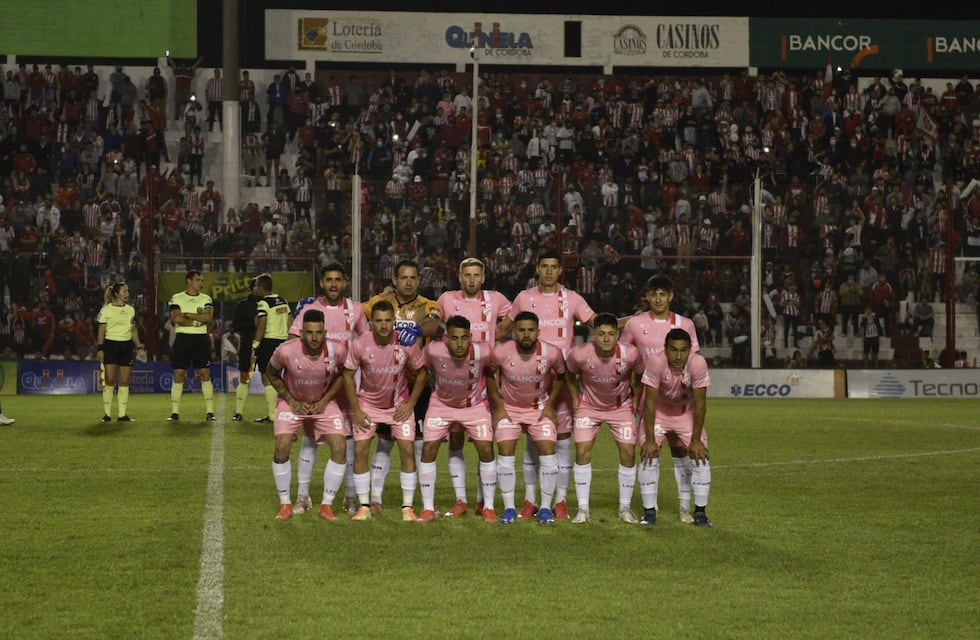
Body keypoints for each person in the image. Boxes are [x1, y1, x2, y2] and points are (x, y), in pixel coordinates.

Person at [505, 251, 595, 520]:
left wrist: (632, 322)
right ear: (537, 268)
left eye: (553, 267)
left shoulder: (572, 299)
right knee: (534, 441)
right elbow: (504, 328)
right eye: (544, 266)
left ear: (560, 271)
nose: (548, 271)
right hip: (531, 378)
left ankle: (560, 500)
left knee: (564, 442)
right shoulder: (524, 298)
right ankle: (531, 500)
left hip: (562, 380)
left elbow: (597, 325)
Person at [289, 263, 370, 515]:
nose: (333, 284)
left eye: (338, 280)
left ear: (344, 282)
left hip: (346, 383)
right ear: (321, 283)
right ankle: (302, 497)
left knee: (347, 440)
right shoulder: (310, 309)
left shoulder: (355, 310)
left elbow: (366, 341)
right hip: (316, 383)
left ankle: (348, 497)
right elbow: (293, 342)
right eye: (328, 280)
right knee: (310, 440)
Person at [620, 273, 700, 523]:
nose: (657, 299)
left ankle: (685, 507)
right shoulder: (635, 324)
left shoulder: (685, 324)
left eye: (662, 294)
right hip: (649, 396)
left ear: (671, 296)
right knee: (649, 451)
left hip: (679, 399)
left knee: (680, 451)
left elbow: (694, 360)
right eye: (653, 294)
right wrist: (631, 388)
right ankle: (649, 510)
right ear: (647, 296)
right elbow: (625, 357)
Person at [361, 260, 441, 512]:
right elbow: (352, 312)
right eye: (403, 278)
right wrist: (317, 302)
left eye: (413, 278)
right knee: (384, 441)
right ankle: (375, 499)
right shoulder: (380, 303)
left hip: (418, 380)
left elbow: (434, 324)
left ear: (418, 281)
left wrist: (417, 330)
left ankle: (422, 502)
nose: (408, 282)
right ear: (394, 280)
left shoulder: (428, 304)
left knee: (417, 443)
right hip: (386, 383)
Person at [436, 257, 512, 516]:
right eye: (466, 274)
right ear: (459, 276)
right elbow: (436, 322)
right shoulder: (447, 299)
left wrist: (494, 338)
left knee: (484, 441)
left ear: (483, 277)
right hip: (456, 376)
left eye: (476, 275)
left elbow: (511, 319)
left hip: (485, 376)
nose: (471, 279)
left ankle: (483, 501)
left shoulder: (497, 299)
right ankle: (460, 501)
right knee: (455, 438)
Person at [342, 300, 430, 521]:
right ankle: (364, 507)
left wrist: (410, 404)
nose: (383, 325)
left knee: (407, 452)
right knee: (361, 450)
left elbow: (422, 373)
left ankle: (407, 507)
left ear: (394, 321)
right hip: (368, 406)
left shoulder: (406, 343)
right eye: (378, 321)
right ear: (371, 323)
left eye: (387, 320)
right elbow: (346, 375)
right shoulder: (360, 344)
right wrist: (356, 410)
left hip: (398, 407)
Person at [265, 309, 348, 521]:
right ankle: (285, 504)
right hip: (293, 402)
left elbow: (342, 376)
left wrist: (324, 400)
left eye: (319, 332)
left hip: (323, 403)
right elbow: (271, 373)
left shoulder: (336, 350)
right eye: (310, 332)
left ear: (325, 331)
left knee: (340, 447)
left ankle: (326, 506)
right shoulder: (285, 351)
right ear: (301, 333)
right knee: (282, 445)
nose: (314, 337)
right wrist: (291, 400)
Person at [417, 316, 499, 523]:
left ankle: (488, 507)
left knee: (486, 449)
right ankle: (428, 508)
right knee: (428, 449)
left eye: (464, 338)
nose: (460, 343)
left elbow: (493, 369)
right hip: (441, 405)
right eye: (454, 338)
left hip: (474, 407)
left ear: (471, 337)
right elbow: (422, 369)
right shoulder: (433, 350)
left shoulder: (484, 352)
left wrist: (497, 404)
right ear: (446, 339)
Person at [564, 313, 644, 524]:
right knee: (582, 451)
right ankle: (583, 509)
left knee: (628, 452)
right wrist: (574, 399)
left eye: (611, 334)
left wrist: (635, 400)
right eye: (601, 334)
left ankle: (625, 508)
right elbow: (569, 373)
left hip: (620, 408)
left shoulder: (631, 354)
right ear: (594, 334)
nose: (606, 338)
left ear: (618, 335)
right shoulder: (579, 354)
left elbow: (640, 374)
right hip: (589, 408)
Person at [491, 311, 566, 524]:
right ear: (514, 331)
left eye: (530, 330)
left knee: (549, 454)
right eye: (521, 330)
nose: (526, 335)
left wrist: (551, 406)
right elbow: (488, 374)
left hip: (539, 410)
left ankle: (544, 508)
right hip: (510, 409)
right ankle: (509, 509)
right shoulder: (501, 351)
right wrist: (498, 408)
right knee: (505, 455)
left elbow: (561, 375)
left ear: (538, 332)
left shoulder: (552, 353)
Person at [641, 328, 713, 527]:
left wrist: (696, 440)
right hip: (659, 414)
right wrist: (649, 439)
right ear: (665, 349)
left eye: (683, 350)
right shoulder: (656, 362)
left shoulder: (698, 363)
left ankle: (699, 513)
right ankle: (649, 513)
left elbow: (700, 404)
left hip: (685, 414)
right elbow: (649, 403)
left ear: (690, 350)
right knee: (649, 456)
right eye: (673, 350)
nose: (678, 356)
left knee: (700, 458)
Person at [168, 270, 216, 421]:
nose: (201, 283)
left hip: (200, 339)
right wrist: (196, 321)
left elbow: (208, 317)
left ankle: (210, 412)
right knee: (179, 374)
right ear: (189, 281)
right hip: (182, 338)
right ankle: (175, 412)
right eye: (198, 280)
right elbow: (176, 318)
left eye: (201, 280)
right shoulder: (177, 297)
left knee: (205, 373)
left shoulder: (206, 298)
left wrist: (187, 314)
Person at [96, 282, 144, 422]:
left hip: (126, 346)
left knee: (124, 381)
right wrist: (100, 348)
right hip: (110, 345)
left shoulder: (130, 310)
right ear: (116, 294)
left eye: (127, 291)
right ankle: (107, 414)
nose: (127, 293)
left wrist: (139, 347)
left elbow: (133, 330)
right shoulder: (106, 310)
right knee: (110, 380)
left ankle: (122, 415)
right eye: (124, 291)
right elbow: (101, 330)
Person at [250, 274, 291, 423]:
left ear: (261, 287)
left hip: (269, 342)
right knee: (279, 377)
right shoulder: (283, 300)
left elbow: (262, 325)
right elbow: (290, 321)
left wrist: (255, 345)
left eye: (256, 286)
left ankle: (273, 415)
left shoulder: (263, 303)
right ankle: (283, 411)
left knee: (267, 377)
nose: (255, 289)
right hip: (283, 342)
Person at [231, 284, 261, 422]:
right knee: (244, 377)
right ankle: (238, 412)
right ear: (251, 289)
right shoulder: (242, 305)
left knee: (270, 377)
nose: (258, 289)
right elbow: (236, 324)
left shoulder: (267, 303)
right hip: (248, 342)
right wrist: (253, 325)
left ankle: (273, 414)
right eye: (256, 287)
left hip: (266, 343)